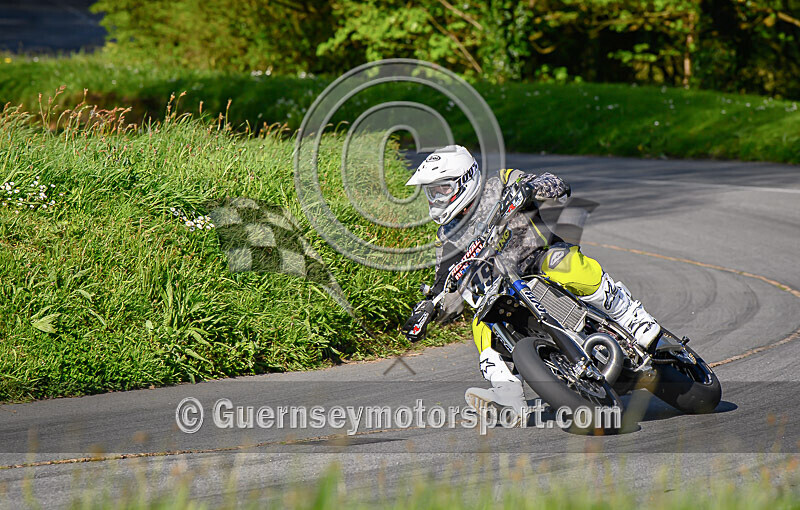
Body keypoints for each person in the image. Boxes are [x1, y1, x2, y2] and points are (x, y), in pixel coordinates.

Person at [401, 145, 661, 425]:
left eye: (441, 189)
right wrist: (428, 306)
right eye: (432, 192)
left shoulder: (500, 183)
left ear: (465, 180)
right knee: (481, 320)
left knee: (560, 262)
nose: (436, 199)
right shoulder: (447, 233)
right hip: (505, 288)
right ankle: (507, 393)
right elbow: (446, 276)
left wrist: (531, 188)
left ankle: (632, 318)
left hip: (540, 259)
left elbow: (557, 185)